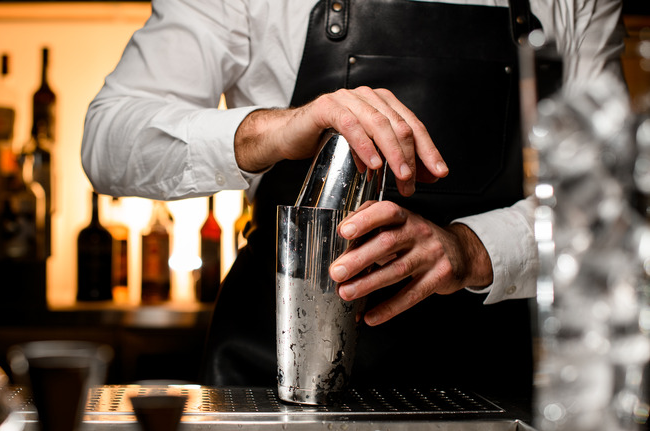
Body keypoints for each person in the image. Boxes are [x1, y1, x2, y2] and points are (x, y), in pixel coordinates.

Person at [81, 0, 626, 401]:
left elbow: (610, 199)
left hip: (488, 381)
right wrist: (274, 128)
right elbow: (108, 139)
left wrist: (472, 249)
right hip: (275, 372)